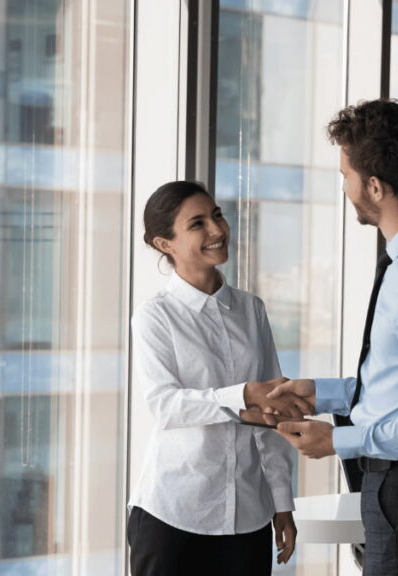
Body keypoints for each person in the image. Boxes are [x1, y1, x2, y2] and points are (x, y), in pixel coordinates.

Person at [266, 99, 398, 576]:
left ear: (374, 187)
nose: (344, 188)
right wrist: (322, 393)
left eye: (346, 176)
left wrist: (341, 439)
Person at [127, 181, 307, 576]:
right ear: (165, 244)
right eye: (198, 224)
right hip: (173, 515)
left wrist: (282, 502)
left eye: (217, 215)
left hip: (248, 516)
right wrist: (243, 396)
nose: (217, 230)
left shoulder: (251, 310)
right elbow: (165, 405)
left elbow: (273, 413)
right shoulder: (155, 316)